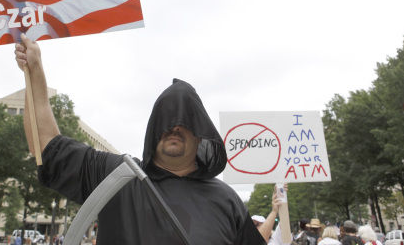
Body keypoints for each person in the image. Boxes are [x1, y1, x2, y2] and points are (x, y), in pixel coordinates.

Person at [14, 34, 266, 245]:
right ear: (154, 127)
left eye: (186, 120)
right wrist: (35, 71)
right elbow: (46, 146)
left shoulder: (227, 200)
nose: (174, 127)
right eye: (167, 117)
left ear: (201, 133)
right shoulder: (116, 177)